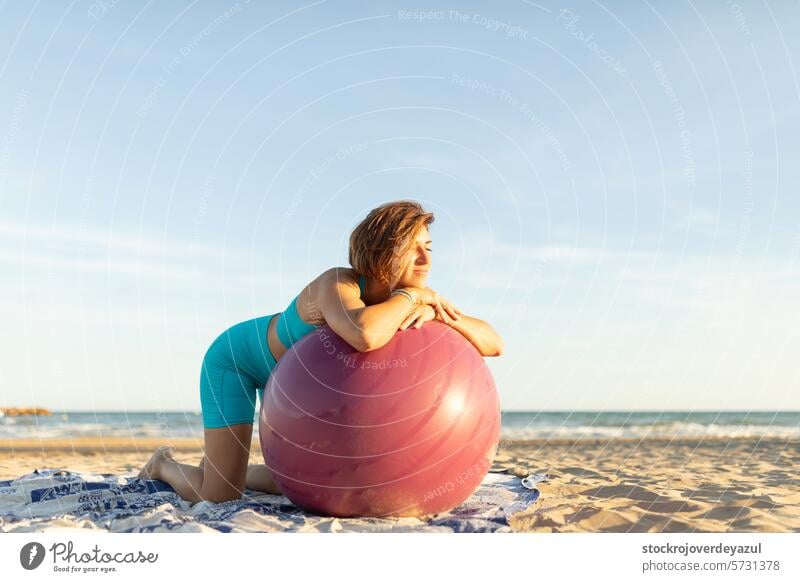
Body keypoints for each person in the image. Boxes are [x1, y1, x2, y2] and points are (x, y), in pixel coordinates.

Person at [138, 200, 504, 504]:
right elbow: (364, 334)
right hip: (240, 363)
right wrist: (414, 298)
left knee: (300, 482)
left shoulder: (407, 298)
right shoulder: (337, 284)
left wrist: (443, 316)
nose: (425, 259)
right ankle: (164, 464)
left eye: (429, 247)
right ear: (380, 249)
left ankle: (235, 467)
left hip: (295, 389)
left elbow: (493, 343)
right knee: (218, 496)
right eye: (412, 248)